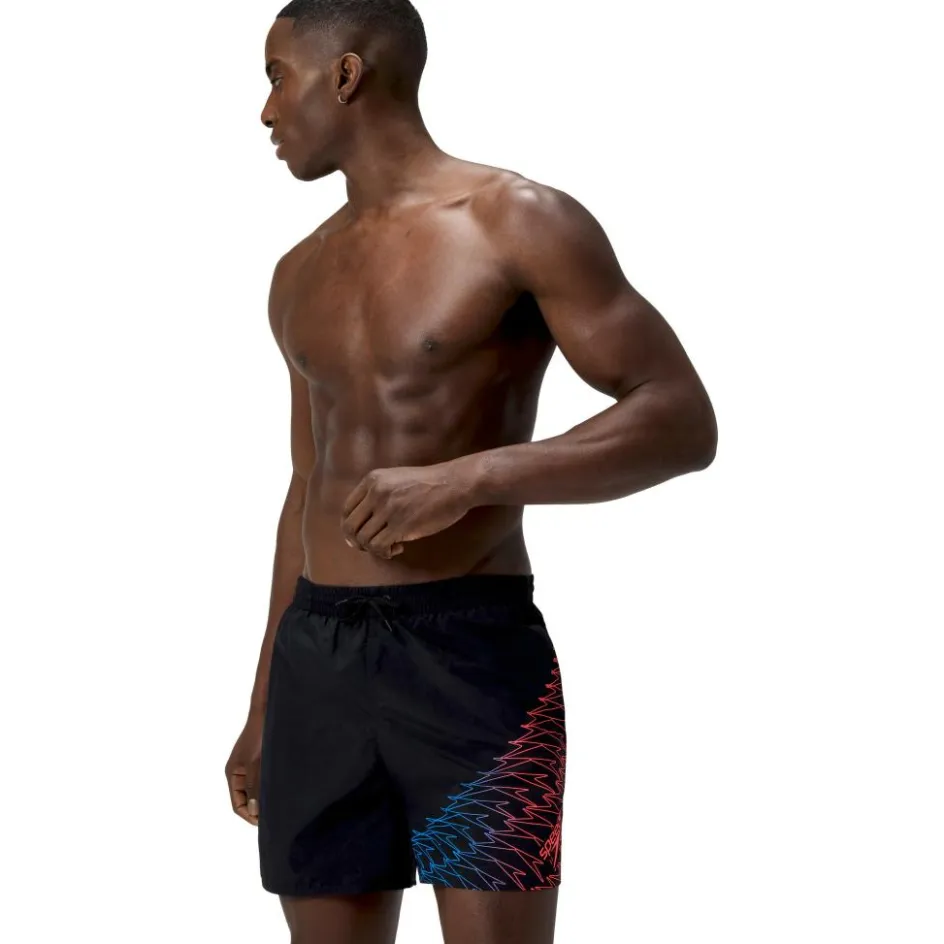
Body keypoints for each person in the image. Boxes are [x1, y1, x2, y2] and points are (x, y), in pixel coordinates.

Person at [224, 1, 718, 941]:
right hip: (317, 659)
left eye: (277, 76)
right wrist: (264, 704)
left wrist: (468, 478)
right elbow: (305, 488)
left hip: (471, 657)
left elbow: (680, 418)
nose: (266, 110)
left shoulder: (515, 221)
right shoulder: (297, 274)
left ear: (346, 75)